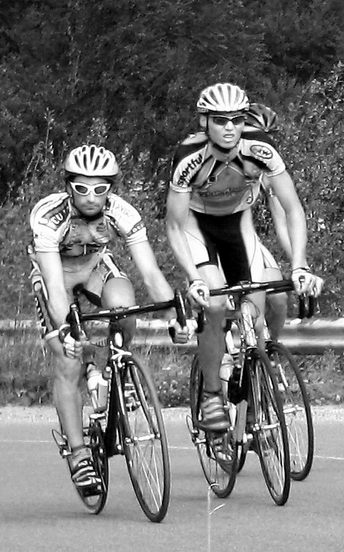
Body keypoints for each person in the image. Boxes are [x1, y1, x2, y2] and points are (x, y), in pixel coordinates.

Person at [29, 144, 190, 495]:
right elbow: (55, 287)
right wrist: (66, 330)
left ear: (111, 189)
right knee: (68, 359)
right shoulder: (49, 215)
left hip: (94, 268)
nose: (91, 197)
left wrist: (173, 317)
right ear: (68, 186)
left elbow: (151, 273)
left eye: (100, 188)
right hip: (55, 276)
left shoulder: (122, 212)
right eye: (81, 188)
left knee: (124, 306)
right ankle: (78, 454)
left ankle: (114, 368)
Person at [166, 83, 323, 432]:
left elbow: (292, 209)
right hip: (197, 227)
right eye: (220, 120)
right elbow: (174, 225)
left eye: (237, 120)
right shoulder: (188, 156)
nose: (229, 128)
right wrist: (193, 277)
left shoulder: (261, 149)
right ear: (204, 121)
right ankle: (211, 395)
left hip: (238, 226)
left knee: (256, 311)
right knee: (215, 305)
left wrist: (300, 264)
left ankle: (253, 382)